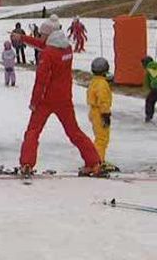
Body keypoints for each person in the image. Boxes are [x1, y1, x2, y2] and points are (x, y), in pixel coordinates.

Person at [13, 20, 103, 177]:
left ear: (48, 34)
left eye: (42, 34)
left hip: (46, 100)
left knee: (33, 132)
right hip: (64, 99)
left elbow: (41, 80)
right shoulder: (66, 48)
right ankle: (93, 162)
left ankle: (27, 164)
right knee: (74, 132)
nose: (40, 37)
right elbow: (43, 45)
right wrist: (23, 38)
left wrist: (34, 102)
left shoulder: (48, 54)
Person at [87, 57, 117, 172]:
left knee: (99, 138)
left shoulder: (94, 81)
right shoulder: (102, 84)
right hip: (100, 113)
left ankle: (96, 159)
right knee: (102, 139)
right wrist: (105, 115)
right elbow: (103, 101)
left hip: (94, 112)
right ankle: (98, 161)